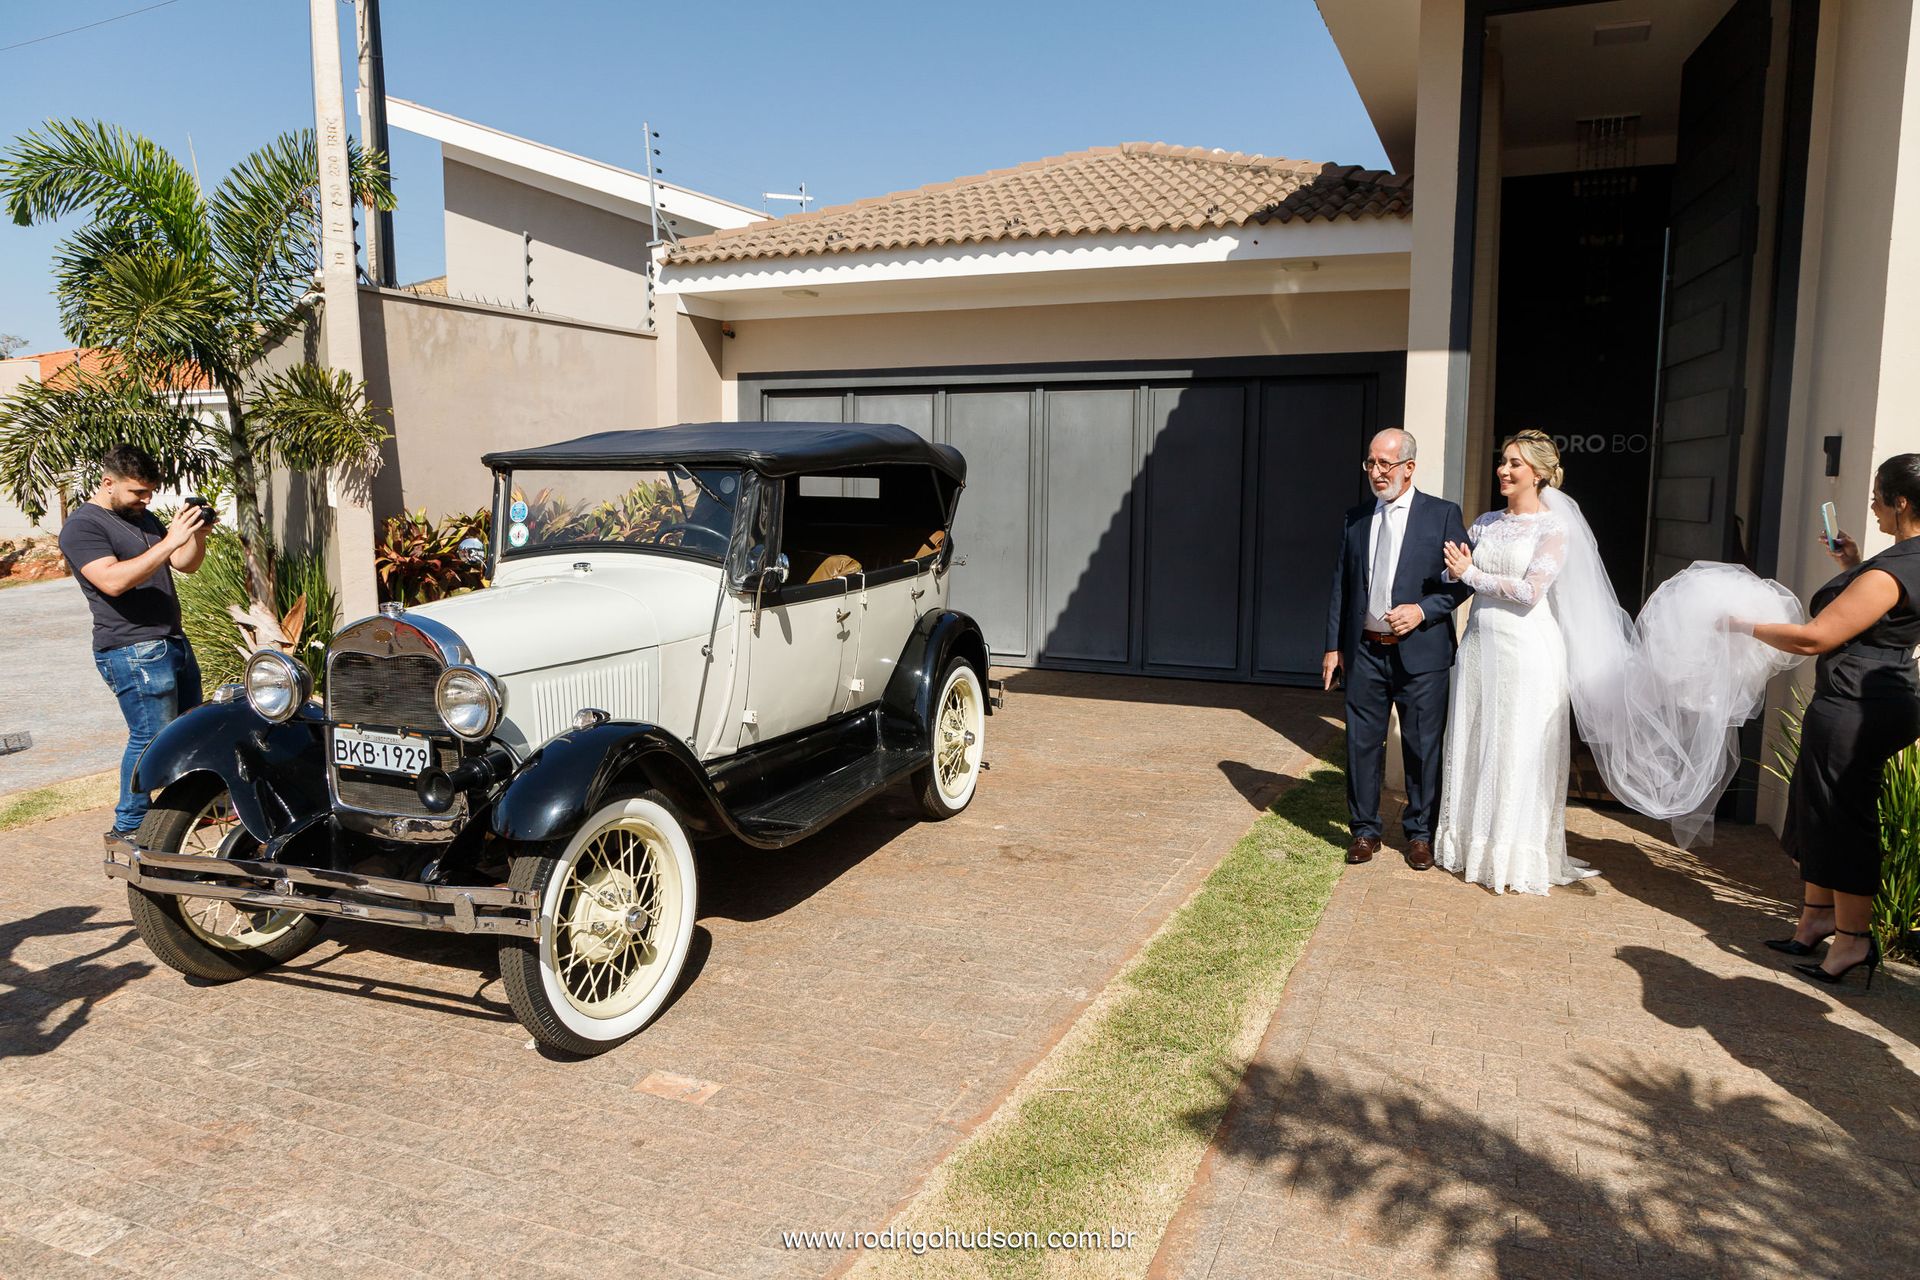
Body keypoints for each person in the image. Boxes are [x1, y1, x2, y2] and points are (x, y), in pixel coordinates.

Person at [1740, 453, 1920, 991]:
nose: (1872, 503)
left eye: (1877, 494)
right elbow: (1883, 622)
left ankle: (1853, 940)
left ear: (1902, 501)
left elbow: (1815, 637)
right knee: (1816, 803)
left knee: (1842, 816)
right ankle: (1816, 917)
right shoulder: (1898, 562)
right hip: (1877, 694)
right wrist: (1853, 566)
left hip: (1856, 704)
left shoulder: (1895, 570)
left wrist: (1740, 624)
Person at [1434, 430, 1600, 895]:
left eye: (1515, 464)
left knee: (1515, 746)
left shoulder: (1553, 528)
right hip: (1480, 645)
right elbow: (1456, 571)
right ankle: (1469, 845)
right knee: (1476, 737)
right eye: (1503, 461)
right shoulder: (1486, 522)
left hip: (1527, 650)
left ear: (1541, 474)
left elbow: (1530, 592)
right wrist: (1455, 572)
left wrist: (1470, 573)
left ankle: (1511, 852)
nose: (1504, 471)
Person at [1324, 428, 1473, 869]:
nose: (1375, 472)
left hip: (1422, 655)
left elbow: (1462, 581)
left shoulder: (1442, 515)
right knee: (1361, 746)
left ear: (1409, 467)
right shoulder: (1355, 518)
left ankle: (1420, 834)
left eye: (1384, 464)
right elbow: (1342, 587)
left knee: (1423, 747)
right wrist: (1334, 646)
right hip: (1365, 652)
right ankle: (1365, 831)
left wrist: (1423, 611)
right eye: (1370, 463)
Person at [57, 445, 210, 852]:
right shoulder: (82, 526)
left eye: (149, 493)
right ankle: (128, 823)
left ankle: (185, 811)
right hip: (131, 649)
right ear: (108, 483)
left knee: (188, 732)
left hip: (171, 641)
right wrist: (168, 541)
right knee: (150, 736)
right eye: (137, 493)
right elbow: (112, 581)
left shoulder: (141, 516)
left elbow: (185, 564)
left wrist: (195, 535)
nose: (146, 500)